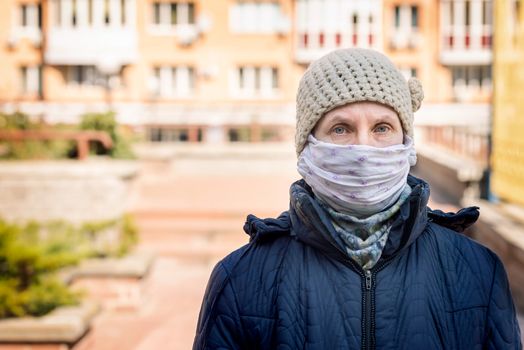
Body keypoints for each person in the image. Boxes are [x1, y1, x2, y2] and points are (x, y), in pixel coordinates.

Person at [193, 48, 522, 349]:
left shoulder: (478, 271)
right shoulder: (242, 279)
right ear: (308, 145)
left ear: (406, 141)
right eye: (340, 129)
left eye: (381, 128)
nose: (363, 149)